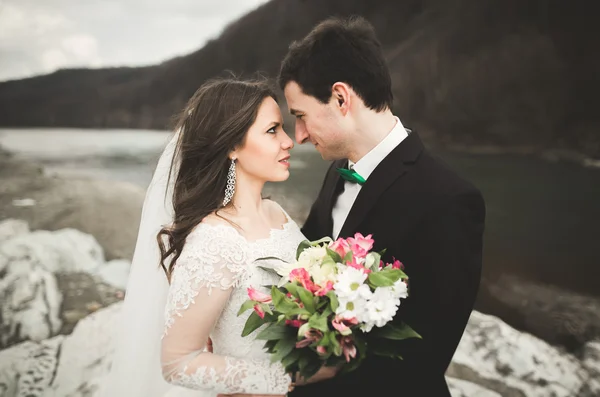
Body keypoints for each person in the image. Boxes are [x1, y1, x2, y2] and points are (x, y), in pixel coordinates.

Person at [277, 16, 486, 397]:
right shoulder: (338, 171)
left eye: (301, 116)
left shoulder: (449, 200)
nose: (300, 136)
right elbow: (302, 269)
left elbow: (425, 357)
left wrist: (319, 375)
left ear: (341, 98)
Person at [99, 77, 332, 397]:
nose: (288, 141)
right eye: (272, 130)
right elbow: (178, 362)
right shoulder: (214, 240)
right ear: (232, 146)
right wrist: (286, 377)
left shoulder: (277, 214)